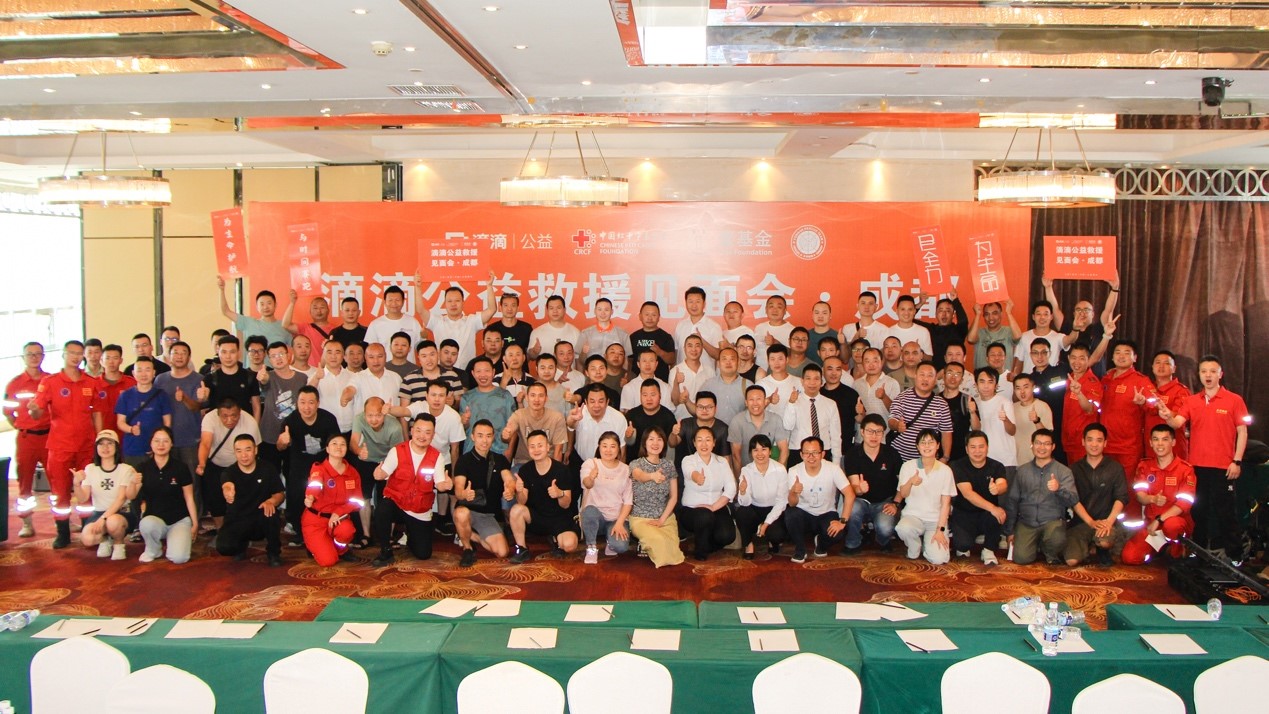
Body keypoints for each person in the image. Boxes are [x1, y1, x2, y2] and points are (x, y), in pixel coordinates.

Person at [1158, 355, 1249, 560]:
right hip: (1197, 467)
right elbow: (1177, 423)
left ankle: (1235, 556)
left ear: (1220, 374)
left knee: (1226, 513)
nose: (1208, 375)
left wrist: (1237, 461)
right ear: (1199, 374)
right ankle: (1198, 553)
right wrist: (1167, 415)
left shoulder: (1234, 400)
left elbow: (1242, 431)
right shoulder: (1191, 401)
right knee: (1199, 512)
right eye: (1204, 371)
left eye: (1212, 371)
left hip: (1224, 467)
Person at [28, 340, 104, 548]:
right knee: (60, 492)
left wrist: (99, 438)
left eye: (80, 353)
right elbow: (37, 412)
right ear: (63, 354)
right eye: (72, 353)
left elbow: (97, 412)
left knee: (86, 490)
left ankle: (88, 530)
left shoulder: (90, 382)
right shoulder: (50, 382)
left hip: (86, 446)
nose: (76, 357)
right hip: (60, 447)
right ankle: (63, 533)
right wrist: (33, 409)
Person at [372, 413, 452, 565]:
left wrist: (447, 485)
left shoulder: (437, 457)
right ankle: (385, 550)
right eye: (418, 430)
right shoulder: (397, 451)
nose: (422, 436)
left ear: (433, 435)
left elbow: (440, 484)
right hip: (397, 503)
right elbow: (384, 473)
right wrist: (378, 474)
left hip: (419, 510)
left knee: (423, 554)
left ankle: (410, 536)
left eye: (427, 432)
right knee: (382, 510)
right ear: (412, 431)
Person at [1122, 425, 1197, 565]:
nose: (1160, 444)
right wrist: (1152, 499)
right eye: (1156, 439)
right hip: (1153, 526)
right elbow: (1139, 495)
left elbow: (1184, 504)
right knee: (1130, 557)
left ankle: (1178, 548)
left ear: (1173, 442)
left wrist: (1160, 520)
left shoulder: (1185, 469)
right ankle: (1160, 549)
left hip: (1175, 523)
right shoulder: (1144, 466)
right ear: (1150, 442)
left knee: (1171, 526)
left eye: (1165, 439)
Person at [278, 386, 341, 544]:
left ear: (318, 403)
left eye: (311, 402)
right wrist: (283, 442)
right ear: (297, 403)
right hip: (299, 463)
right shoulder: (290, 421)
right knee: (297, 495)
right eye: (302, 402)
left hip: (323, 463)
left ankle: (327, 528)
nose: (306, 407)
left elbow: (336, 443)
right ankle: (300, 531)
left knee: (326, 494)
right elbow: (280, 448)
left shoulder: (328, 419)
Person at [1004, 429, 1078, 565]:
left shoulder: (1064, 471)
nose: (1042, 447)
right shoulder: (1022, 471)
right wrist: (1010, 532)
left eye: (1046, 444)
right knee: (1021, 559)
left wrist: (1059, 489)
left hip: (1052, 521)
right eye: (1038, 443)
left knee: (1056, 540)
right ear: (1032, 445)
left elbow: (1073, 499)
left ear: (1053, 447)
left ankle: (1050, 552)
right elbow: (1012, 501)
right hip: (1027, 522)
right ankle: (1035, 544)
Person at [508, 430, 581, 563]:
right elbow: (521, 502)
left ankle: (555, 540)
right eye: (532, 446)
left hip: (559, 519)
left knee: (569, 545)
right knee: (516, 510)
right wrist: (519, 491)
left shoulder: (562, 470)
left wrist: (559, 494)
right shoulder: (525, 470)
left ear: (548, 447)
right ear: (528, 449)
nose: (536, 450)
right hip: (537, 517)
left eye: (540, 445)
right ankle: (521, 549)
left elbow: (566, 504)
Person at [452, 420, 515, 566]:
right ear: (473, 437)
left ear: (493, 437)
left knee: (502, 552)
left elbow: (509, 480)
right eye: (480, 436)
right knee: (461, 513)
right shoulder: (464, 461)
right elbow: (458, 490)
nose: (484, 440)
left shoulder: (499, 460)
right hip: (468, 510)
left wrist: (510, 490)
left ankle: (466, 534)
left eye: (488, 436)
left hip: (488, 515)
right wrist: (464, 494)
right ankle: (467, 548)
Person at [1065, 423, 1128, 566]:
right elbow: (1073, 500)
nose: (1094, 444)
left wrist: (1109, 522)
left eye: (1099, 440)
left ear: (1105, 443)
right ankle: (1088, 547)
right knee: (1071, 561)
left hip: (1107, 523)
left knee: (1105, 542)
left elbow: (1121, 497)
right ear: (1083, 442)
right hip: (1082, 523)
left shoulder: (1115, 468)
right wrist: (1091, 522)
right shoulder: (1074, 469)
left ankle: (1103, 548)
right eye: (1090, 440)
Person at [216, 434, 284, 566]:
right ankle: (241, 546)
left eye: (248, 450)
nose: (244, 455)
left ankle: (273, 553)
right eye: (239, 451)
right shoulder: (229, 473)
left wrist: (271, 501)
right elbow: (227, 484)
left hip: (261, 516)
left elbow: (280, 494)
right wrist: (228, 490)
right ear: (234, 452)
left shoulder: (267, 468)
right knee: (224, 547)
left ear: (255, 450)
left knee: (271, 514)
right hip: (239, 518)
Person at [6, 341, 50, 537]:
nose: (34, 357)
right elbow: (8, 412)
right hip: (26, 438)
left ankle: (63, 522)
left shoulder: (51, 380)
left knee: (58, 479)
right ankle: (27, 522)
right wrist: (21, 425)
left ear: (43, 356)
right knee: (24, 481)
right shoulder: (15, 384)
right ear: (23, 357)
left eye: (38, 354)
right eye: (30, 354)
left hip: (49, 437)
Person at [197, 399, 261, 534]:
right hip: (215, 463)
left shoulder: (250, 422)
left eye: (234, 416)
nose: (229, 420)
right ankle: (221, 531)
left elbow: (254, 450)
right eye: (225, 416)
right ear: (218, 414)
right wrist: (202, 464)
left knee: (241, 498)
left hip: (239, 465)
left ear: (240, 413)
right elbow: (205, 443)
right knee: (215, 499)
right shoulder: (210, 418)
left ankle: (242, 531)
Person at [73, 430, 139, 561]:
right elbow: (83, 498)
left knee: (113, 522)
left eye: (110, 443)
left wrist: (103, 519)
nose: (105, 447)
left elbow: (121, 499)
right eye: (101, 444)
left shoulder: (126, 469)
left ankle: (119, 543)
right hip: (99, 512)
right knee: (87, 539)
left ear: (117, 447)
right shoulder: (90, 469)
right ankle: (105, 539)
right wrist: (76, 484)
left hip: (121, 513)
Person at [785, 435, 853, 562]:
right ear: (801, 455)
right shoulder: (794, 471)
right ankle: (800, 549)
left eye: (815, 452)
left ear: (823, 454)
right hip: (803, 513)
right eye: (807, 453)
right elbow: (792, 503)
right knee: (790, 514)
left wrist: (842, 521)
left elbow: (850, 494)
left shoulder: (833, 469)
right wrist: (793, 491)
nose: (811, 457)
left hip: (826, 513)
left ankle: (821, 544)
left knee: (838, 533)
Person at [136, 427, 199, 564]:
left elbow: (189, 497)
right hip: (154, 519)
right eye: (157, 441)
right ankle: (154, 549)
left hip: (178, 520)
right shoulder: (143, 468)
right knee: (146, 524)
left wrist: (195, 524)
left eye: (165, 441)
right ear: (151, 443)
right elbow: (131, 495)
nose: (161, 445)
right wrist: (133, 483)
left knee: (179, 558)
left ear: (171, 444)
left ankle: (175, 540)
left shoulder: (181, 467)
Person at [844, 414, 904, 553]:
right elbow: (854, 487)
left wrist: (895, 503)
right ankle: (853, 543)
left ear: (883, 433)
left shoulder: (892, 453)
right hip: (861, 500)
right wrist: (859, 489)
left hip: (885, 501)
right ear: (862, 432)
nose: (874, 436)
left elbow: (902, 483)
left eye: (878, 432)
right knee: (851, 508)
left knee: (885, 528)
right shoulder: (852, 454)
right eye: (870, 431)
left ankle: (883, 540)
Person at [893, 429, 955, 564]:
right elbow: (903, 494)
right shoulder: (908, 466)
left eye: (931, 442)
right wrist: (910, 482)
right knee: (903, 528)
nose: (927, 446)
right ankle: (915, 546)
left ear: (938, 445)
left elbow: (946, 504)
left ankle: (928, 546)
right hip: (913, 517)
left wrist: (940, 529)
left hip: (935, 521)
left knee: (939, 559)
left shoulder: (946, 470)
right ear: (917, 446)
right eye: (923, 443)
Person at [303, 433, 364, 566]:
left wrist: (338, 512)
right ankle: (314, 546)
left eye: (343, 444)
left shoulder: (352, 473)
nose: (339, 447)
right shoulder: (319, 468)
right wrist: (311, 497)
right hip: (316, 520)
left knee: (347, 530)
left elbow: (358, 501)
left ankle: (341, 550)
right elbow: (315, 484)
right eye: (334, 444)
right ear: (327, 449)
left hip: (339, 519)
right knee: (328, 561)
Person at [628, 426, 685, 567]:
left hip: (665, 518)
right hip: (641, 518)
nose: (655, 443)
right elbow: (639, 476)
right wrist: (652, 476)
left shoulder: (669, 465)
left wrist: (661, 520)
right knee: (659, 542)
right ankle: (644, 542)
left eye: (659, 439)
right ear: (644, 443)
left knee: (672, 549)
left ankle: (647, 544)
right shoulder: (636, 463)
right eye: (651, 439)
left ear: (664, 443)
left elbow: (673, 497)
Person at [350, 396, 403, 546]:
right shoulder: (359, 419)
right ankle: (366, 534)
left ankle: (388, 535)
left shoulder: (395, 427)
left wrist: (385, 468)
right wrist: (359, 451)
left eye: (378, 415)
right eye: (370, 415)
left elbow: (398, 454)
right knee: (363, 497)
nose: (374, 420)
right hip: (366, 460)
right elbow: (353, 441)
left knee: (387, 499)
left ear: (384, 413)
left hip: (387, 461)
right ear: (364, 413)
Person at [1099, 338, 1156, 478]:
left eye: (1126, 353)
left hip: (1128, 447)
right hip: (1105, 444)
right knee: (1107, 485)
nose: (1121, 356)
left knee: (1127, 485)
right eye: (1117, 352)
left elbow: (1155, 405)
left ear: (1135, 358)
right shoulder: (1106, 379)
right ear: (1112, 357)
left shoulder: (1141, 380)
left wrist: (1143, 402)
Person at [949, 431, 1008, 565]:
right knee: (963, 545)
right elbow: (968, 493)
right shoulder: (957, 465)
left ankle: (988, 549)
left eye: (981, 446)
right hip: (964, 513)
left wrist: (998, 488)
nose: (977, 451)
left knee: (998, 515)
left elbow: (1003, 484)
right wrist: (993, 508)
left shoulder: (997, 466)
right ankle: (969, 539)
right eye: (973, 447)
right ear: (966, 449)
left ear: (987, 447)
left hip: (986, 514)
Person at [677, 428, 736, 561]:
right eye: (699, 440)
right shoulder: (688, 460)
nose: (704, 444)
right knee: (704, 516)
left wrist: (714, 507)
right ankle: (700, 552)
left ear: (714, 443)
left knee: (727, 536)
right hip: (692, 510)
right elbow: (689, 472)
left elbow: (731, 487)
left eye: (708, 440)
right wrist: (697, 477)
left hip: (716, 507)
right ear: (694, 443)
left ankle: (707, 544)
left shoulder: (722, 461)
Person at [579, 431, 634, 563]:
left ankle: (610, 541)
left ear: (618, 448)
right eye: (604, 446)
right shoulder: (590, 463)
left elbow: (628, 501)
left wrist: (620, 523)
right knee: (589, 511)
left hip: (616, 518)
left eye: (612, 446)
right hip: (595, 517)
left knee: (620, 547)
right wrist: (591, 477)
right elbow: (587, 484)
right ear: (599, 447)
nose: (608, 450)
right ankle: (591, 547)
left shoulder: (626, 469)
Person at [154, 340, 205, 479]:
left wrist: (184, 398)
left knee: (192, 480)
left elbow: (197, 407)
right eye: (175, 353)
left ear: (189, 357)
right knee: (167, 481)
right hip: (165, 440)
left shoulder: (198, 379)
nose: (179, 356)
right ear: (169, 357)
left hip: (191, 440)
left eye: (183, 353)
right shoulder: (160, 380)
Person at [735, 434, 791, 558]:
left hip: (774, 508)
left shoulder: (780, 469)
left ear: (770, 451)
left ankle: (772, 541)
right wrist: (743, 491)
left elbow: (782, 501)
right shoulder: (746, 470)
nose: (760, 454)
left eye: (764, 449)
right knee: (742, 513)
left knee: (777, 534)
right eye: (755, 450)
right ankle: (748, 544)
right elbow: (745, 503)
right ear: (751, 453)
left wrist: (766, 523)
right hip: (755, 508)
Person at [887, 361, 953, 462]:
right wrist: (897, 425)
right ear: (915, 376)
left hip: (928, 459)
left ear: (935, 379)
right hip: (899, 458)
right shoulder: (902, 397)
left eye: (930, 376)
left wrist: (946, 457)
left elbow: (946, 432)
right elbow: (892, 420)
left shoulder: (941, 404)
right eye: (922, 374)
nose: (925, 379)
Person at [256, 341, 307, 470]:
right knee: (270, 474)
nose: (278, 358)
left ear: (288, 355)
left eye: (280, 354)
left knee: (293, 474)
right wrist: (262, 378)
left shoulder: (302, 378)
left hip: (295, 435)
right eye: (273, 356)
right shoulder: (268, 376)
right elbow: (264, 381)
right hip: (269, 436)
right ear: (269, 359)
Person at [114, 356, 173, 468]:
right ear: (133, 373)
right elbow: (120, 422)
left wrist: (160, 445)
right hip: (132, 448)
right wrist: (131, 429)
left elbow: (167, 423)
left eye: (147, 370)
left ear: (154, 373)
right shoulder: (125, 396)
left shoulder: (162, 395)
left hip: (157, 450)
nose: (143, 374)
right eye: (139, 370)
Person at [783, 363, 843, 466]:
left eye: (816, 379)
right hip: (799, 452)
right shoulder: (794, 402)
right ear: (802, 381)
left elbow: (836, 435)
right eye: (808, 378)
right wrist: (791, 403)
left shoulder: (830, 404)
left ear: (821, 382)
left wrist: (836, 462)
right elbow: (788, 426)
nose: (812, 383)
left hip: (823, 452)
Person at [567, 383, 629, 469]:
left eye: (601, 401)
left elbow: (622, 450)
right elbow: (571, 425)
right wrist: (572, 419)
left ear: (607, 402)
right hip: (580, 461)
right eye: (592, 401)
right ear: (586, 402)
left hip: (609, 465)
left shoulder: (619, 418)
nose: (596, 405)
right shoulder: (579, 413)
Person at [729, 385, 790, 471]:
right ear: (746, 402)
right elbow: (736, 455)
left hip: (769, 471)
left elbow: (784, 450)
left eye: (758, 399)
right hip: (746, 471)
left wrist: (778, 473)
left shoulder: (776, 419)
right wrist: (741, 477)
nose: (755, 403)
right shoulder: (737, 421)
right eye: (751, 399)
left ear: (765, 401)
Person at [218, 278, 293, 347]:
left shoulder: (284, 326)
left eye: (269, 303)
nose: (265, 307)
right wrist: (222, 290)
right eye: (262, 304)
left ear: (275, 305)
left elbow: (294, 347)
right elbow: (226, 311)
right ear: (257, 307)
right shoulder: (248, 322)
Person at [1144, 350, 1190, 461]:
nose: (1161, 366)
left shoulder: (1181, 391)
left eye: (1166, 363)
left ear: (1174, 368)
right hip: (1150, 446)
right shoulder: (1146, 387)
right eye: (1158, 362)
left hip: (1174, 448)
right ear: (1152, 367)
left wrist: (1167, 413)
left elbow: (1180, 417)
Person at [1061, 343, 1103, 463]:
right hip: (1068, 440)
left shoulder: (1093, 382)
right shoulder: (1069, 378)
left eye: (1081, 358)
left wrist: (1079, 393)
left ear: (1088, 360)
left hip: (1084, 441)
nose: (1077, 362)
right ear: (1068, 358)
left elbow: (1090, 409)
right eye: (1073, 358)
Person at [971, 367, 1017, 477]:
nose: (986, 386)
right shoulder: (974, 405)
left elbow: (1012, 431)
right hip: (982, 461)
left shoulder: (1004, 402)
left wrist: (1005, 419)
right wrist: (972, 412)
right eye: (982, 382)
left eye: (990, 382)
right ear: (976, 385)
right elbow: (976, 431)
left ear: (996, 385)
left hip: (1005, 460)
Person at [309, 340, 358, 433]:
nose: (333, 356)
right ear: (323, 355)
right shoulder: (315, 376)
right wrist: (317, 378)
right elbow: (308, 395)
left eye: (337, 352)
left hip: (351, 428)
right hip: (326, 429)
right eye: (329, 352)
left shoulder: (353, 376)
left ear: (343, 356)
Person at [204, 335, 260, 416]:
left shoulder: (250, 376)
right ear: (218, 352)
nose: (228, 356)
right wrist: (201, 398)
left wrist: (255, 423)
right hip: (218, 422)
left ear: (238, 353)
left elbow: (256, 406)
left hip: (244, 422)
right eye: (224, 352)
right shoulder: (210, 378)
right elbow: (201, 402)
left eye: (232, 352)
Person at [364, 285, 423, 360]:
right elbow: (371, 350)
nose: (394, 303)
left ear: (403, 302)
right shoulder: (375, 324)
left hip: (409, 366)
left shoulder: (413, 322)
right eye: (390, 300)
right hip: (385, 367)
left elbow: (421, 347)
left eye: (397, 300)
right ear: (385, 302)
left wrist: (424, 336)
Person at [624, 378, 678, 460]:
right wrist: (628, 436)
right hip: (635, 461)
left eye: (653, 395)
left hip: (659, 462)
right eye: (645, 395)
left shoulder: (668, 416)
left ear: (660, 395)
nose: (649, 399)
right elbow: (628, 443)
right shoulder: (631, 415)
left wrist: (674, 434)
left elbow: (672, 444)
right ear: (640, 396)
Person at [673, 286, 724, 369]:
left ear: (704, 303)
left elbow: (718, 355)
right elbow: (676, 353)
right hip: (682, 375)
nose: (694, 305)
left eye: (698, 301)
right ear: (686, 303)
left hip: (706, 375)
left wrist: (702, 341)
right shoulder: (680, 325)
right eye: (690, 301)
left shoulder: (714, 326)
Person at [915, 289, 968, 369]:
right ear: (935, 314)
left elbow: (963, 321)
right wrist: (920, 303)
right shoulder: (930, 329)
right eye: (940, 311)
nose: (944, 314)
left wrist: (955, 300)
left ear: (953, 315)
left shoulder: (958, 330)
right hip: (933, 373)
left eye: (948, 311)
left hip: (954, 372)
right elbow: (910, 318)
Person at [1011, 301, 1065, 378]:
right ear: (1033, 317)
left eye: (1046, 314)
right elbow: (1019, 361)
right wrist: (1015, 375)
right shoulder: (1024, 336)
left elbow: (1071, 339)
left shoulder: (1058, 337)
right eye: (1038, 314)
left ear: (1051, 316)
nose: (1042, 317)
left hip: (1050, 380)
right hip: (1028, 381)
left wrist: (1075, 328)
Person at [697, 347, 749, 424]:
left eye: (732, 359)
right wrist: (687, 401)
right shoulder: (708, 385)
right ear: (718, 363)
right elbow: (698, 409)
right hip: (714, 430)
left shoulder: (748, 385)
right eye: (724, 359)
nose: (728, 362)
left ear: (738, 362)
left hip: (739, 430)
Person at [669, 334, 715, 420]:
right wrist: (676, 383)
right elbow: (675, 402)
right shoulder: (675, 371)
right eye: (690, 346)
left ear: (702, 348)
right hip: (681, 419)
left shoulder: (710, 371)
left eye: (697, 346)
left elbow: (713, 400)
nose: (694, 349)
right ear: (684, 348)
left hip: (704, 419)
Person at [967, 300, 1021, 372]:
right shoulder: (979, 332)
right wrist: (977, 315)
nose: (991, 318)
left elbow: (1018, 336)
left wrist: (1009, 313)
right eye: (987, 314)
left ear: (1001, 314)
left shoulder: (1008, 331)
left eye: (994, 313)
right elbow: (970, 339)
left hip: (1004, 377)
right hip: (983, 377)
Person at [1011, 374, 1053, 468]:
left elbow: (1048, 436)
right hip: (1017, 461)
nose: (1022, 391)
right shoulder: (1012, 407)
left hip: (1038, 461)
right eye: (1018, 388)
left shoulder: (1043, 406)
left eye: (1026, 387)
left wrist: (1037, 421)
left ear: (1033, 387)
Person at [819, 356, 861, 447]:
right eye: (830, 369)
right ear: (823, 371)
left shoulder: (851, 394)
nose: (834, 373)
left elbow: (860, 420)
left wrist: (861, 413)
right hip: (821, 446)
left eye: (838, 369)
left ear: (842, 372)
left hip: (845, 447)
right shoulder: (818, 393)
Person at [630, 301, 676, 382]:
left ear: (659, 317)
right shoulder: (633, 337)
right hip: (637, 382)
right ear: (640, 316)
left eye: (653, 315)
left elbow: (672, 360)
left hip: (660, 382)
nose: (650, 318)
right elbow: (629, 361)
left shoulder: (666, 337)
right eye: (647, 314)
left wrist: (660, 352)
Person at [284, 294, 336, 367]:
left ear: (328, 310)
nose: (319, 311)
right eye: (315, 308)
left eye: (322, 307)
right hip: (308, 370)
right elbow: (286, 325)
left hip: (329, 370)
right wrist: (292, 302)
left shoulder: (336, 330)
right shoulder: (305, 327)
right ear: (310, 312)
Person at [853, 347, 900, 426]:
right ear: (863, 363)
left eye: (875, 361)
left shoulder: (892, 383)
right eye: (867, 361)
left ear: (882, 362)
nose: (871, 365)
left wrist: (884, 397)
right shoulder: (856, 384)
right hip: (862, 432)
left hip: (884, 432)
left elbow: (896, 413)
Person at [97, 344, 136, 440]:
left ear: (121, 360)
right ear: (101, 361)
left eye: (115, 358)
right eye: (108, 358)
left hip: (127, 435)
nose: (111, 362)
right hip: (103, 436)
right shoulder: (94, 384)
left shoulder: (131, 383)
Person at [528, 294, 583, 362]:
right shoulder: (537, 332)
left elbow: (578, 359)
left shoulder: (575, 332)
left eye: (558, 308)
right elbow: (531, 357)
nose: (555, 311)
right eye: (551, 308)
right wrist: (534, 351)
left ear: (564, 309)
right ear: (547, 310)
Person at [578, 297, 633, 363]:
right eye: (599, 309)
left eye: (606, 310)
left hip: (614, 369)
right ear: (595, 311)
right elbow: (579, 361)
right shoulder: (585, 333)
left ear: (612, 312)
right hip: (593, 369)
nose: (603, 313)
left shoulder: (622, 334)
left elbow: (626, 360)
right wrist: (583, 353)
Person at [940, 361, 973, 463]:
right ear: (943, 376)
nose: (953, 378)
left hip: (961, 457)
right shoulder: (935, 399)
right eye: (949, 373)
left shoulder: (967, 400)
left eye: (957, 374)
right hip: (938, 456)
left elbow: (976, 428)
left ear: (962, 380)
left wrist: (973, 412)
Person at [752, 294, 794, 370]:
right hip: (759, 373)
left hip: (781, 373)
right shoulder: (759, 328)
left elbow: (795, 355)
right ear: (766, 309)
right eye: (771, 306)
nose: (775, 310)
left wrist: (776, 343)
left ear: (785, 311)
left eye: (779, 307)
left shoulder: (792, 330)